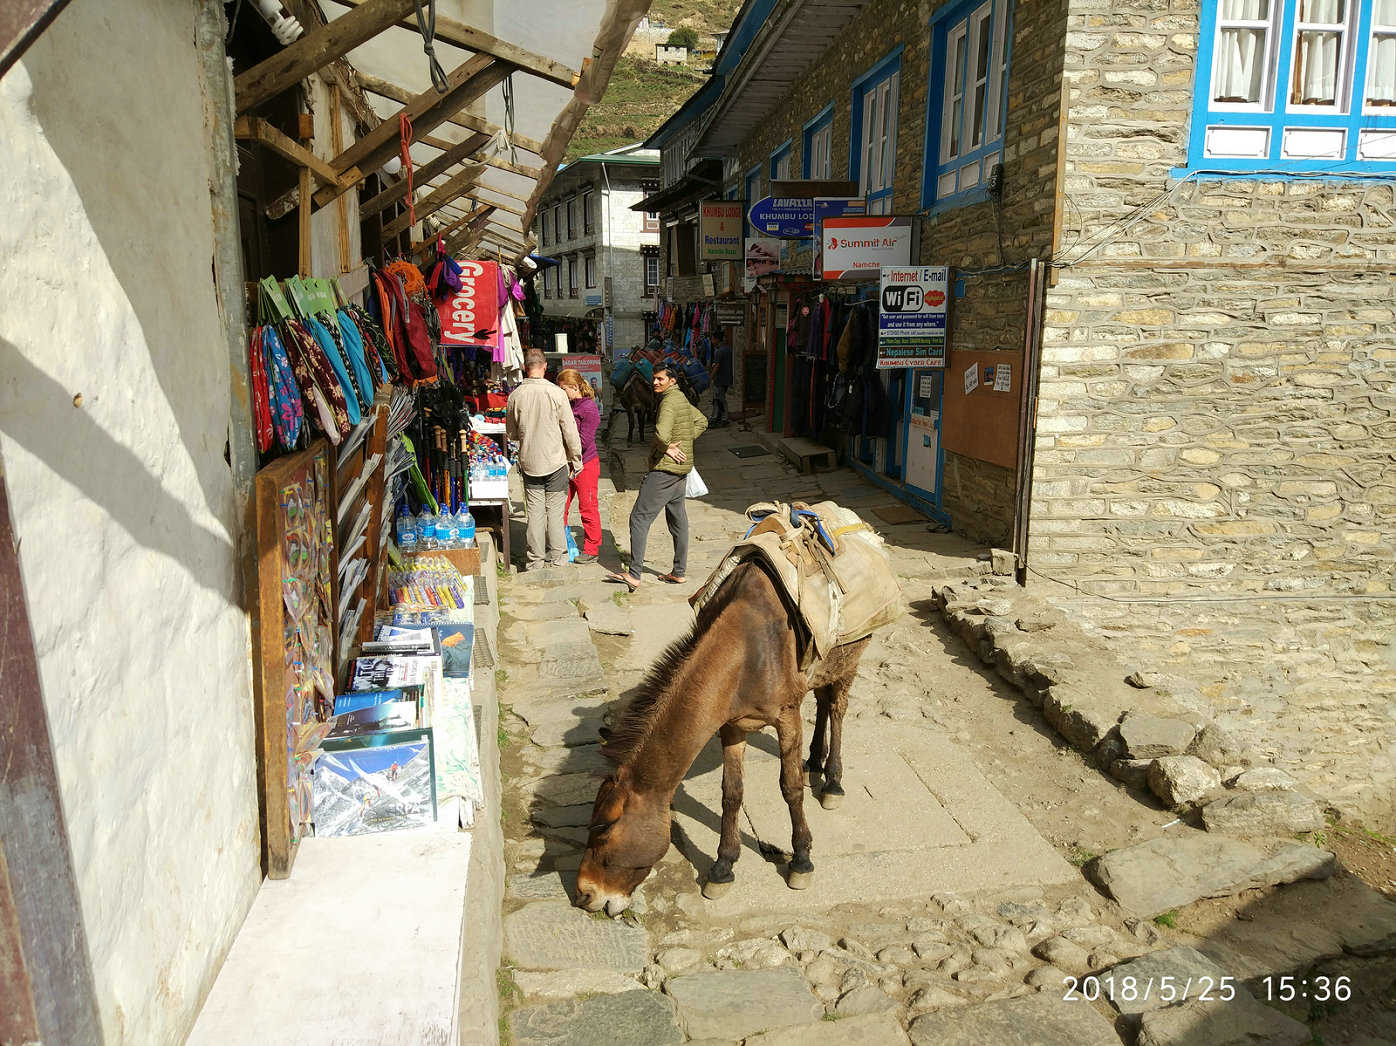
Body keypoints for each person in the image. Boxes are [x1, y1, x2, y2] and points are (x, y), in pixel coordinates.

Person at [606, 363, 708, 591]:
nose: (655, 382)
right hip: (681, 472)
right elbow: (702, 421)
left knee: (639, 519)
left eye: (660, 379)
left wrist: (667, 448)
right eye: (654, 378)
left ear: (672, 381)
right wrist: (687, 439)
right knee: (678, 522)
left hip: (664, 471)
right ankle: (679, 572)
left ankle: (633, 574)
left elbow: (661, 434)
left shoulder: (668, 404)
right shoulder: (681, 399)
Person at [506, 348, 582, 570]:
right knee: (555, 514)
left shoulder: (515, 396)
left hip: (530, 462)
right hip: (556, 462)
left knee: (536, 514)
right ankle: (559, 559)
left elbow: (510, 434)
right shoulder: (557, 393)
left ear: (524, 368)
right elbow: (570, 432)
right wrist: (576, 460)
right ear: (545, 366)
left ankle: (535, 561)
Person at [558, 368, 601, 564]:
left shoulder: (589, 409)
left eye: (563, 388)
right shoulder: (569, 405)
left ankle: (591, 549)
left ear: (574, 387)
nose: (561, 393)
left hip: (586, 464)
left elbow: (584, 441)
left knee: (587, 506)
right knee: (561, 505)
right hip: (567, 463)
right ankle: (562, 544)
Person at [708, 328, 733, 426]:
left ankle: (723, 417)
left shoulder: (719, 351)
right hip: (726, 378)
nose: (712, 341)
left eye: (713, 339)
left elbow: (717, 365)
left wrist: (711, 376)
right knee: (717, 398)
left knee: (720, 398)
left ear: (717, 339)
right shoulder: (727, 349)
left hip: (720, 379)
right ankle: (717, 416)